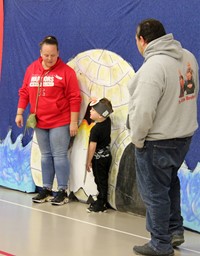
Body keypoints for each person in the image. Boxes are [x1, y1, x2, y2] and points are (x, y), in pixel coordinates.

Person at [127, 19, 199, 256]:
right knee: (170, 184)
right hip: (183, 136)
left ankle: (160, 242)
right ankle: (175, 230)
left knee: (154, 191)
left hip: (158, 140)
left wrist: (137, 139)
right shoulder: (188, 56)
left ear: (142, 40)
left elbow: (144, 111)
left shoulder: (152, 67)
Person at [15, 36, 81, 206]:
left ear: (58, 53)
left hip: (60, 121)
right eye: (46, 55)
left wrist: (73, 122)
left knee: (59, 156)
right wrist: (20, 113)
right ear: (40, 53)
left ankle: (61, 190)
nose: (49, 58)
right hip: (40, 121)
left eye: (52, 55)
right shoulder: (32, 69)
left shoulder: (67, 72)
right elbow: (24, 92)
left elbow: (75, 98)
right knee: (45, 156)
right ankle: (45, 189)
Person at [86, 98, 113, 213]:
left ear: (101, 115)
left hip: (98, 160)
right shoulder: (107, 121)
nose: (90, 111)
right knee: (103, 179)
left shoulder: (95, 129)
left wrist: (88, 161)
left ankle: (101, 202)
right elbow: (106, 111)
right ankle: (102, 200)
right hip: (107, 157)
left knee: (99, 180)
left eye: (93, 110)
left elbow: (92, 147)